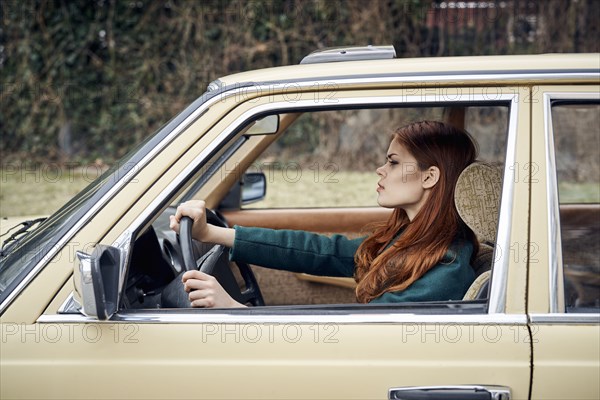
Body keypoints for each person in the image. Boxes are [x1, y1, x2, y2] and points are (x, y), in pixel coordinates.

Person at [170, 120, 480, 308]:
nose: (380, 169)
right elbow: (320, 251)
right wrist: (211, 234)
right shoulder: (406, 240)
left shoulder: (447, 269)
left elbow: (363, 339)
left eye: (394, 162)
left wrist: (234, 310)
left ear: (429, 177)